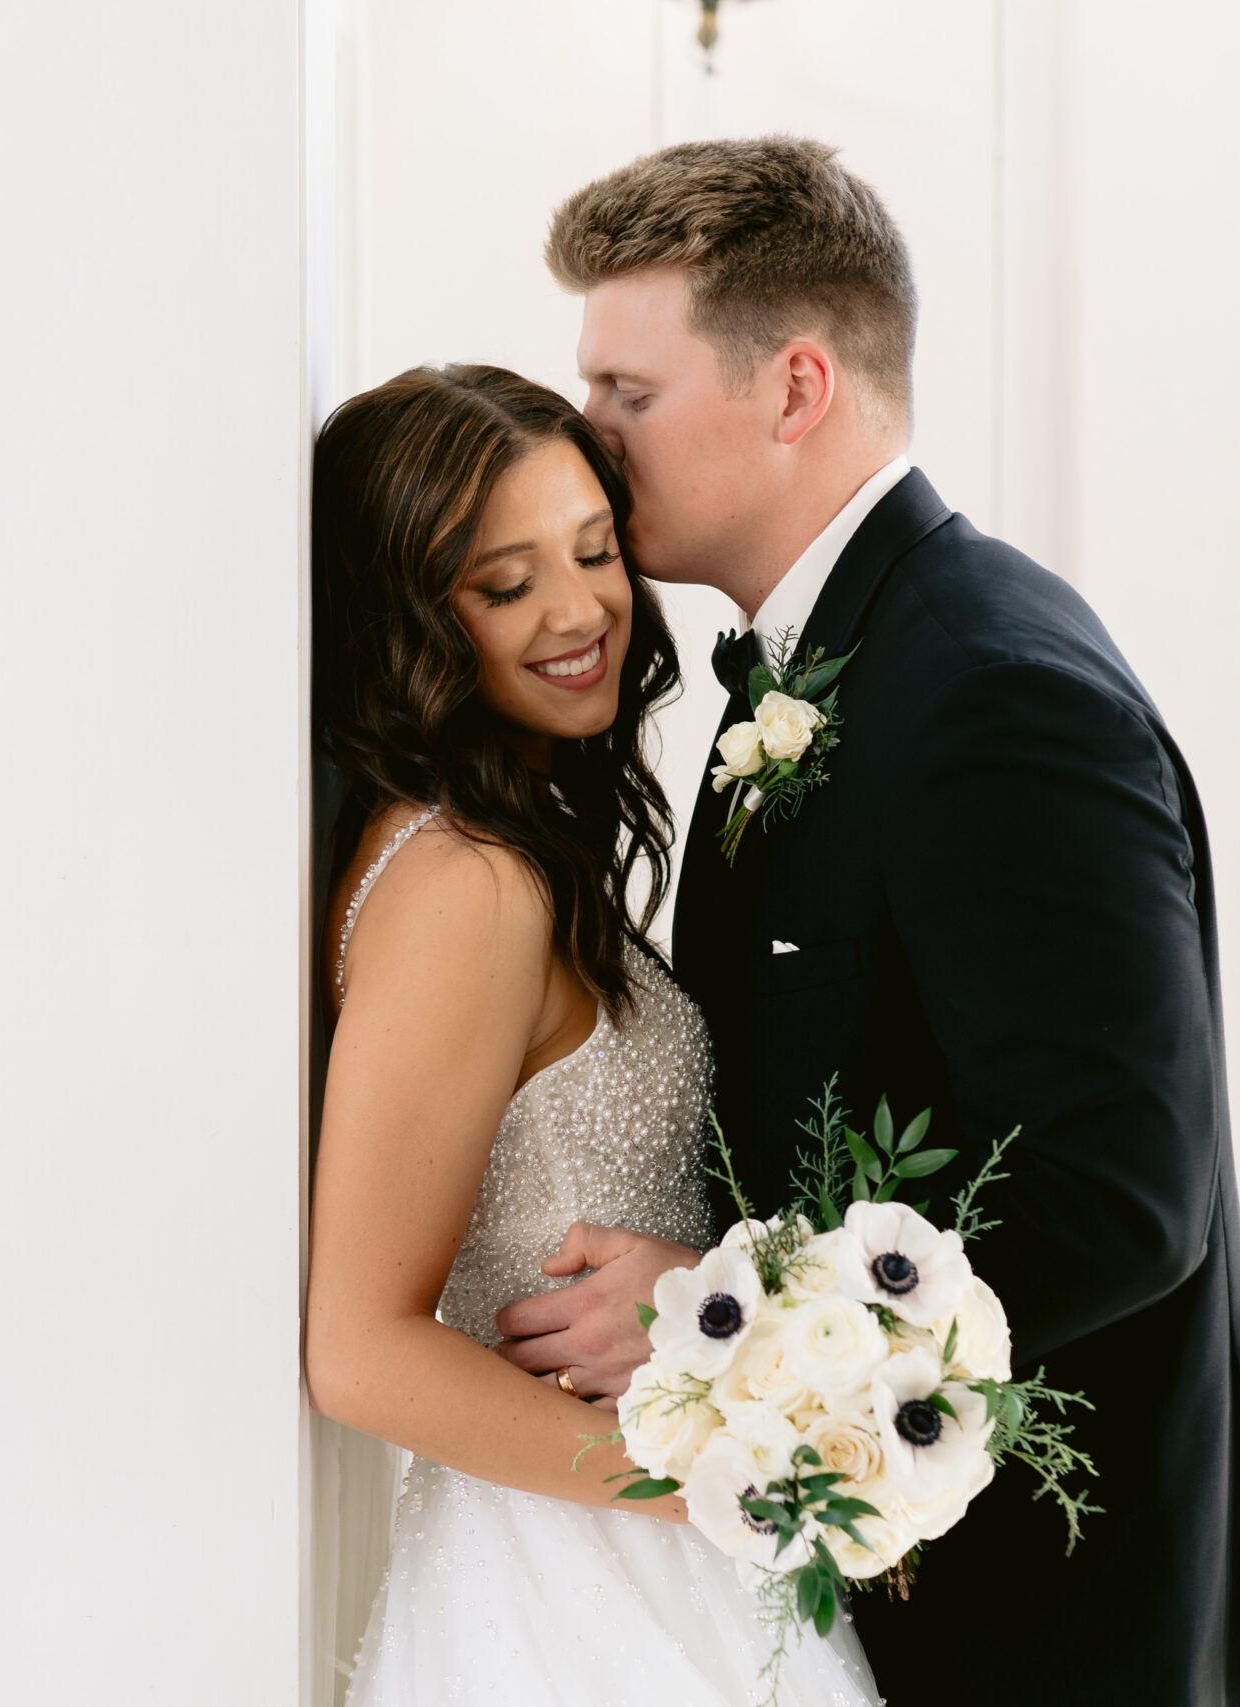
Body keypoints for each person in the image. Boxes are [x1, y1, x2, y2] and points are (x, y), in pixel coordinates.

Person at [491, 137, 1240, 1704]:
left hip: (1042, 1632)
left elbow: (1122, 1196)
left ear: (795, 385)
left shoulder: (991, 692)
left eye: (629, 395)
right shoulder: (851, 656)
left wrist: (715, 1309)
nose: (587, 445)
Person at [304, 364, 880, 1704]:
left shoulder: (505, 846)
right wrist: (714, 1483)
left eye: (594, 551)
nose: (580, 614)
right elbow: (360, 1346)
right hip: (581, 1567)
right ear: (410, 619)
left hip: (615, 1538)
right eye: (505, 585)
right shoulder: (471, 888)